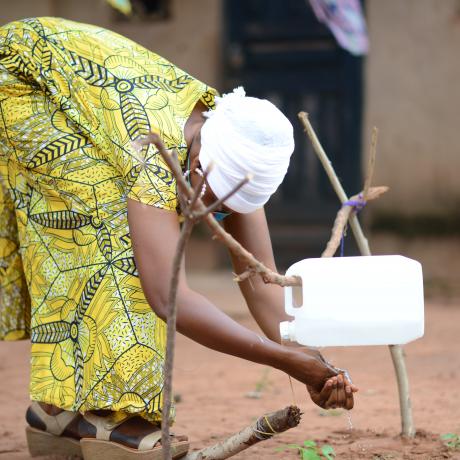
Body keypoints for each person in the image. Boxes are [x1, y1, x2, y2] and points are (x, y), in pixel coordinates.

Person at [0, 17, 357, 460]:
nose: (217, 211)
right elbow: (168, 298)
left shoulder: (237, 151)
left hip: (74, 91)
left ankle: (57, 416)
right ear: (198, 164)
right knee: (114, 234)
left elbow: (261, 283)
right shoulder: (152, 148)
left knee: (121, 232)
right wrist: (284, 361)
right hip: (20, 78)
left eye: (230, 206)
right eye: (213, 197)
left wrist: (313, 363)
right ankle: (108, 418)